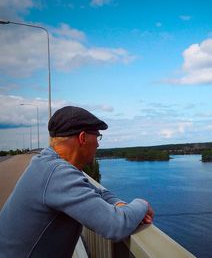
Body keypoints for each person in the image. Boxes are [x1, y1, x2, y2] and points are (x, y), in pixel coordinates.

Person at [0, 106, 154, 257]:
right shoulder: (57, 173)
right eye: (97, 136)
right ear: (82, 138)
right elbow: (115, 225)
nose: (98, 144)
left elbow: (99, 192)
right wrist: (142, 204)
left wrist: (119, 204)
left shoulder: (47, 164)